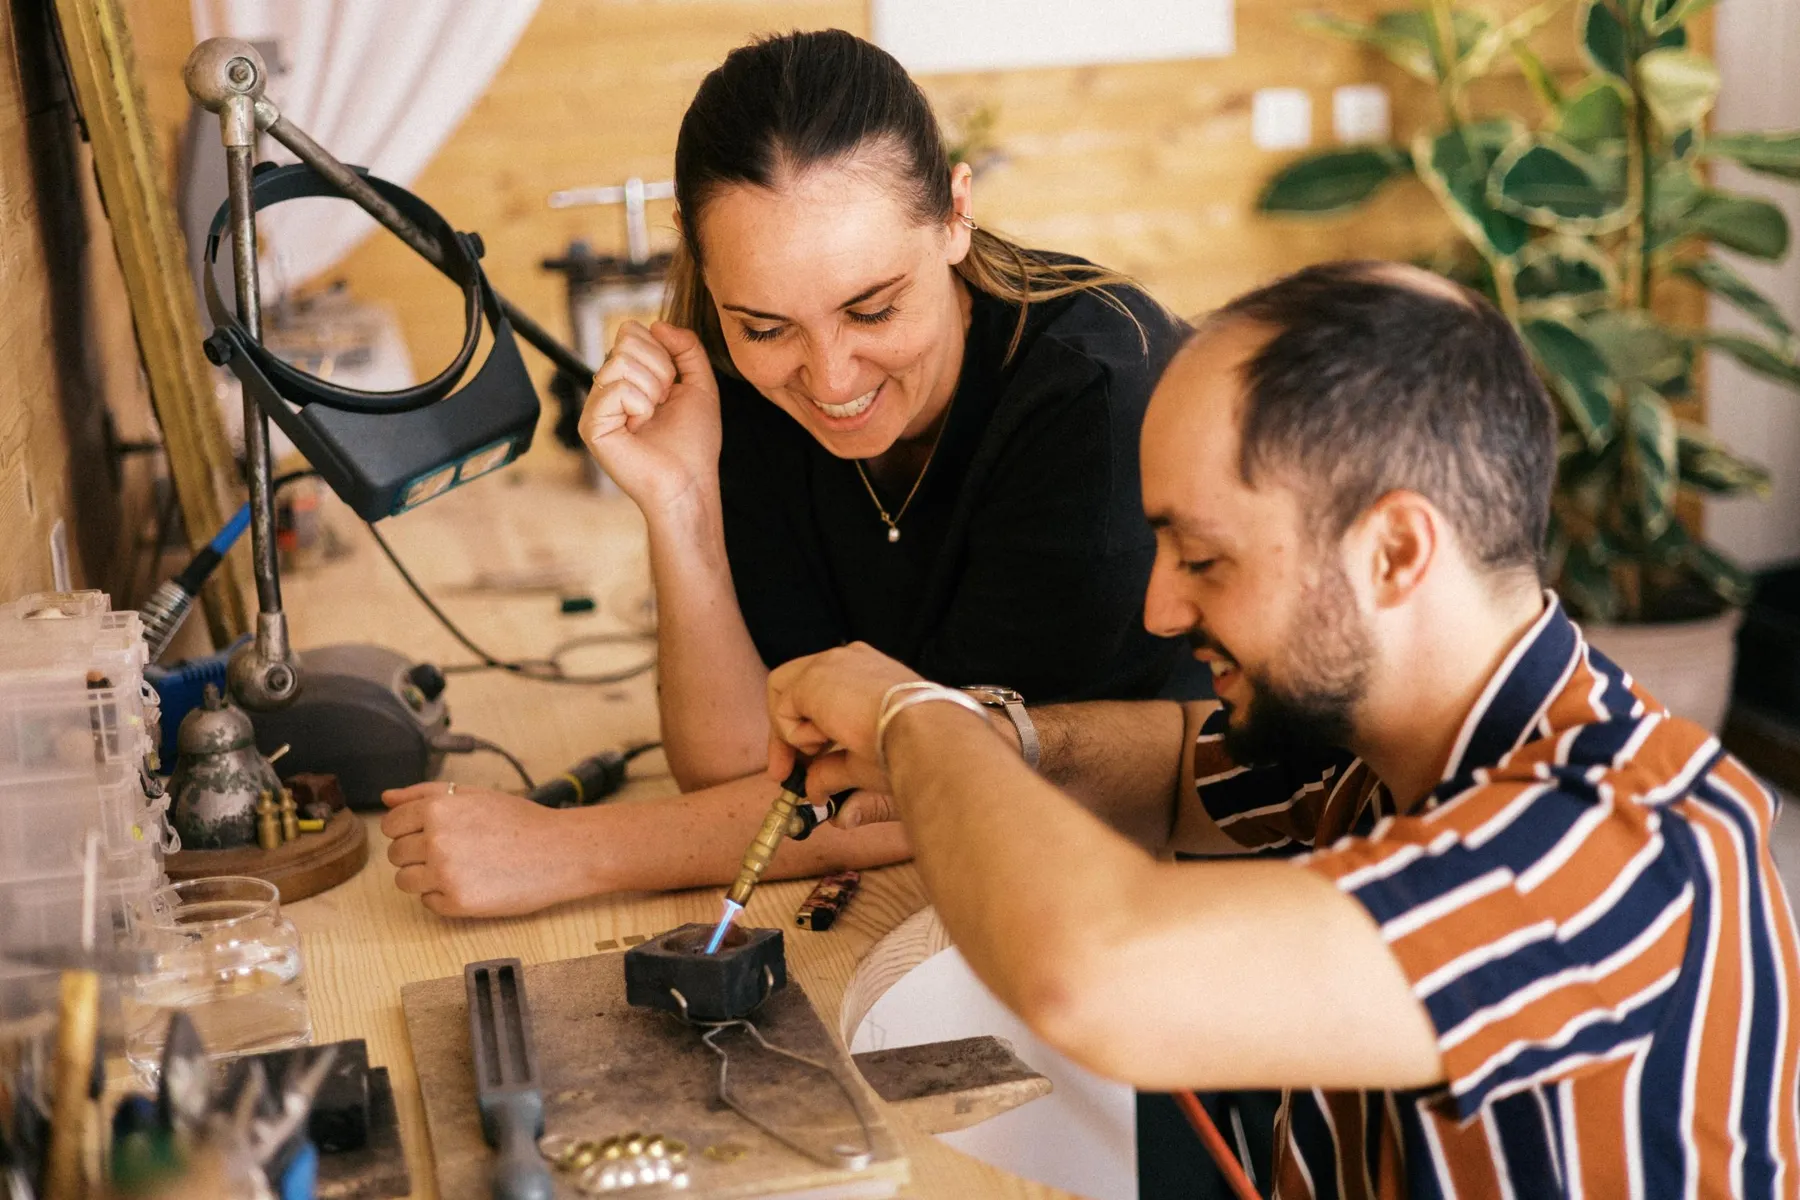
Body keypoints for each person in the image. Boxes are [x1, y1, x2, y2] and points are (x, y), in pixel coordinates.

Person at [765, 261, 1800, 1196]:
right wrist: (1001, 736)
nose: (1161, 610)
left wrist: (912, 717)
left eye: (1204, 559)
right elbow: (1180, 768)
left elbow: (1097, 974)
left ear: (1395, 552)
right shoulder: (1384, 737)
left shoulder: (1612, 848)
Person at [378, 29, 1190, 917]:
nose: (830, 382)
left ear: (956, 214)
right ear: (699, 260)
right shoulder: (740, 388)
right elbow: (738, 761)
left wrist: (572, 850)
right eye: (766, 327)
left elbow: (963, 781)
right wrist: (681, 503)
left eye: (872, 310)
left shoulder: (1096, 396)